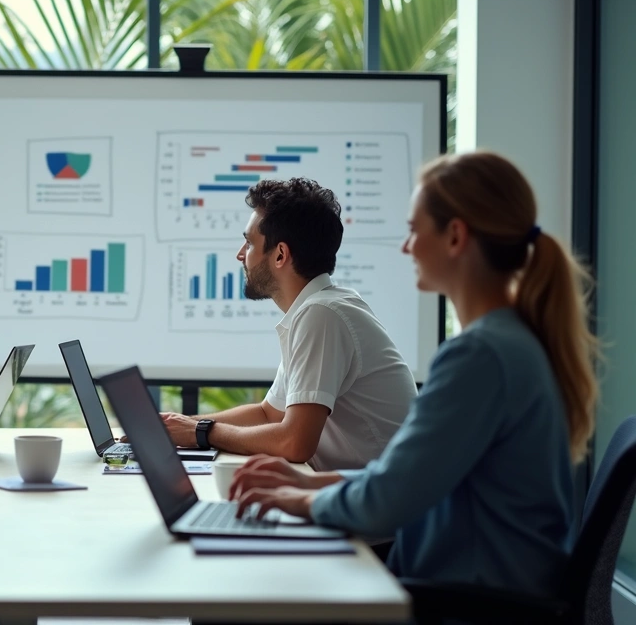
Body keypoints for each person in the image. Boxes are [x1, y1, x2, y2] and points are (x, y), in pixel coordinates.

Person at [231, 151, 595, 595]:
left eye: (413, 231)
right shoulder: (508, 341)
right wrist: (310, 483)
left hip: (465, 599)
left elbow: (389, 500)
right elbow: (406, 478)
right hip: (477, 583)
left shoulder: (480, 356)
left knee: (236, 595)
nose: (406, 248)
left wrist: (301, 498)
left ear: (455, 237)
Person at [142, 178, 416, 471]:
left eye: (249, 243)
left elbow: (294, 443)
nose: (240, 255)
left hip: (385, 507)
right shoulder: (320, 307)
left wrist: (201, 433)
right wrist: (178, 425)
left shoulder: (323, 315)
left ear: (280, 255)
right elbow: (268, 414)